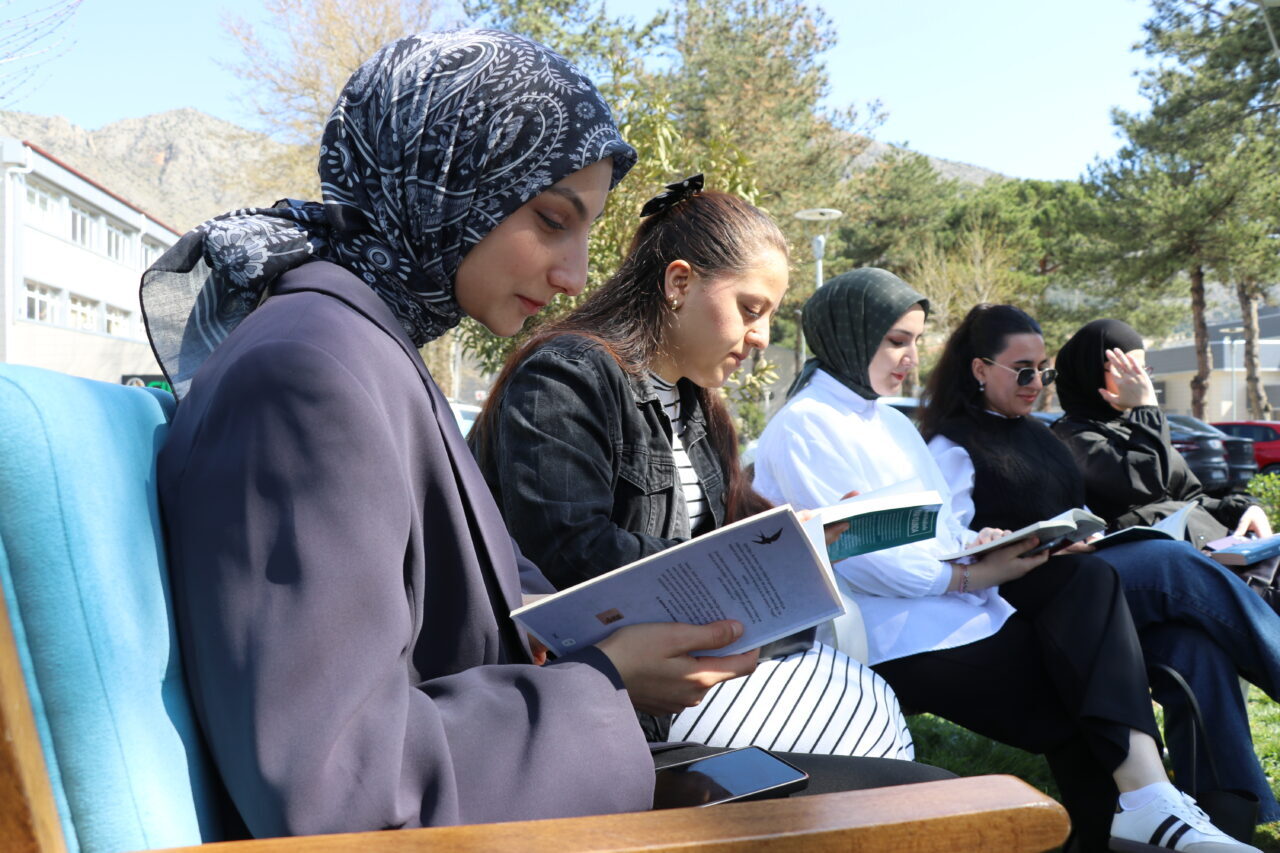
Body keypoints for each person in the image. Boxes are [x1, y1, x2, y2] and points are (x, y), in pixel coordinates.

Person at [141, 31, 772, 838]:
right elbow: (342, 784)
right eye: (551, 220)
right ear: (446, 179)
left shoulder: (362, 345)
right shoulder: (308, 371)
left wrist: (589, 631)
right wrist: (606, 682)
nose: (574, 275)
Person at [752, 269, 1261, 852]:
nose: (910, 359)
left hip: (963, 611)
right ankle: (1149, 807)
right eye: (896, 340)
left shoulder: (890, 422)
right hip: (898, 637)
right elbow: (861, 556)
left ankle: (1152, 808)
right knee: (1084, 693)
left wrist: (980, 543)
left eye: (915, 341)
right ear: (848, 334)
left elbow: (936, 524)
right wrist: (970, 571)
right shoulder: (804, 427)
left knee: (1085, 589)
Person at [470, 179, 935, 776]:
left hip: (700, 669)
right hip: (616, 689)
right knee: (886, 761)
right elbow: (565, 551)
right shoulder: (568, 375)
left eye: (770, 316)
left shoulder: (698, 405)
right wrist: (728, 567)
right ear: (679, 282)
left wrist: (808, 531)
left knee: (879, 737)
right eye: (750, 309)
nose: (762, 339)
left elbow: (734, 520)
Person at [920, 302, 1280, 839]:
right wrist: (991, 544)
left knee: (1191, 648)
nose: (1036, 382)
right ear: (979, 370)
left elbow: (1167, 487)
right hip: (1030, 598)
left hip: (1086, 582)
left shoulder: (1037, 434)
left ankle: (1227, 815)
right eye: (1023, 370)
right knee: (1172, 563)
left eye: (1042, 370)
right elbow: (945, 542)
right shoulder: (952, 445)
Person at [1051, 319, 1271, 549]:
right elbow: (1144, 485)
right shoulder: (1071, 435)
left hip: (1211, 551)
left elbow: (1189, 498)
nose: (1141, 379)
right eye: (1126, 368)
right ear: (1091, 372)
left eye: (1143, 369)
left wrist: (1244, 510)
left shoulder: (1131, 426)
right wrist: (1146, 409)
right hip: (1152, 567)